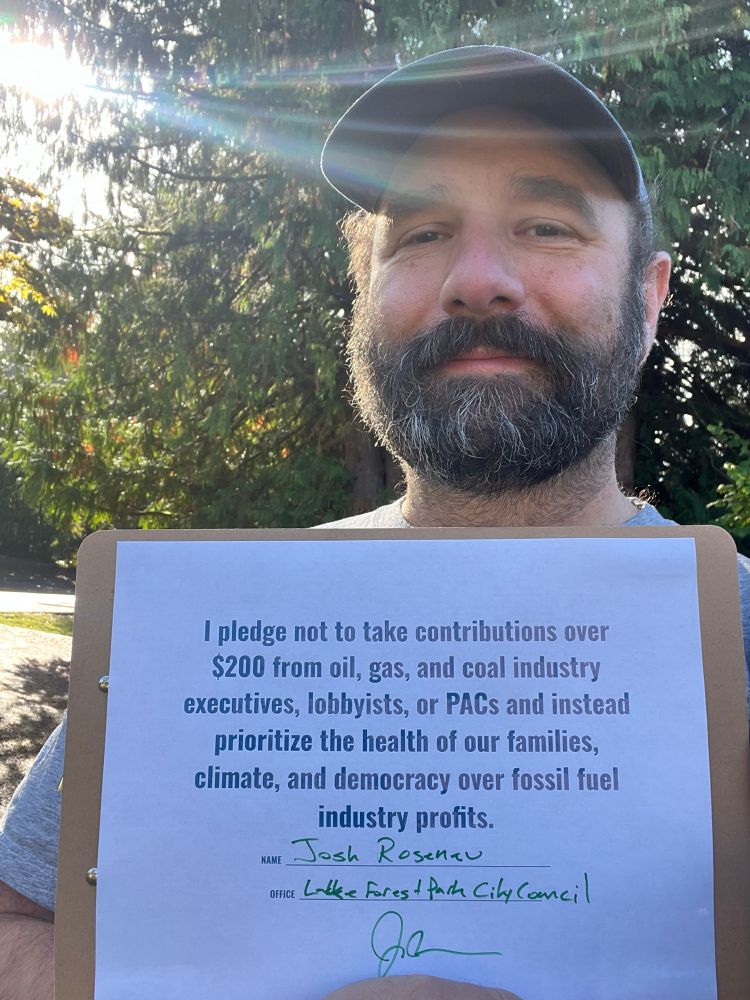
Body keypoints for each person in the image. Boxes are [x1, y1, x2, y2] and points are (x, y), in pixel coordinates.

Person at [1, 45, 748, 1000]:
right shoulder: (204, 629)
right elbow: (19, 924)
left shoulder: (739, 638)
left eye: (547, 225)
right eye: (422, 234)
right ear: (365, 303)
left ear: (649, 302)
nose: (478, 279)